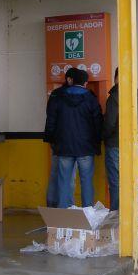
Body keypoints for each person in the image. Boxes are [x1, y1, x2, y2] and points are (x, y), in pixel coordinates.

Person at [44, 68, 103, 208]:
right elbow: (98, 122)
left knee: (64, 181)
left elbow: (51, 120)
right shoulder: (90, 98)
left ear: (70, 80)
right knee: (86, 181)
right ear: (86, 83)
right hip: (86, 148)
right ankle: (88, 212)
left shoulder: (58, 97)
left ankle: (64, 213)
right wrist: (98, 142)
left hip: (64, 147)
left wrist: (51, 140)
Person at [102, 68, 138, 221]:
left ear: (116, 78)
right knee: (133, 180)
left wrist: (105, 137)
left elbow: (109, 123)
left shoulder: (114, 98)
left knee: (116, 181)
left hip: (115, 145)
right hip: (133, 145)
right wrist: (133, 136)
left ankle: (117, 217)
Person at [43, 68, 79, 206]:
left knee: (54, 174)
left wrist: (50, 138)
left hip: (56, 141)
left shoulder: (55, 94)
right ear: (69, 79)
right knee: (69, 177)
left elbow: (50, 118)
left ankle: (51, 205)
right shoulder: (72, 96)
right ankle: (67, 206)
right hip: (70, 142)